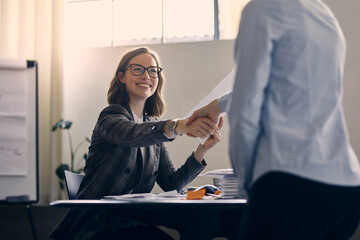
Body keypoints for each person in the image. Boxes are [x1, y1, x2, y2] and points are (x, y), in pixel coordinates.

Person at [187, 0, 360, 239]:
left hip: (291, 185)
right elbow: (283, 84)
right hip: (345, 188)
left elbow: (247, 105)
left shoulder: (262, 9)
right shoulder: (322, 13)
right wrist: (217, 106)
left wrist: (248, 184)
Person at [49, 47, 222, 240]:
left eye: (153, 70)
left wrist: (202, 149)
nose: (146, 75)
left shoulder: (151, 126)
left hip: (130, 223)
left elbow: (172, 184)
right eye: (138, 69)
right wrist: (179, 126)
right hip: (98, 226)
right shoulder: (111, 117)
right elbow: (132, 134)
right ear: (122, 76)